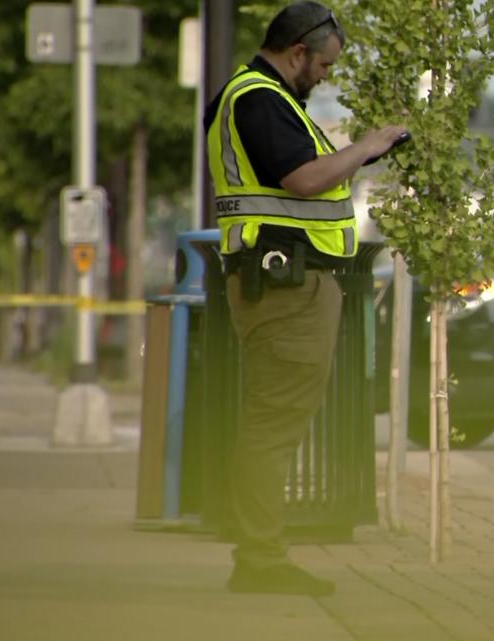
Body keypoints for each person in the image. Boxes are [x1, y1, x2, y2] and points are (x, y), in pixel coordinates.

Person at [203, 1, 406, 597]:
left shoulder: (268, 99)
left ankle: (259, 552)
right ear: (297, 52)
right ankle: (261, 559)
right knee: (271, 426)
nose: (325, 76)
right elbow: (304, 179)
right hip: (286, 288)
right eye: (323, 65)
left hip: (287, 285)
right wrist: (366, 146)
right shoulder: (258, 98)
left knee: (271, 423)